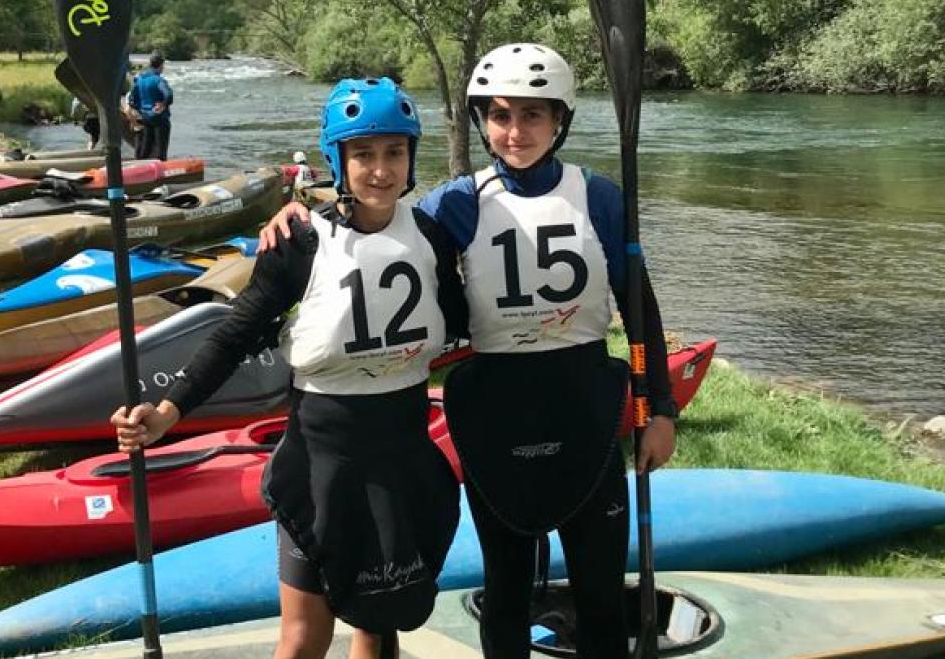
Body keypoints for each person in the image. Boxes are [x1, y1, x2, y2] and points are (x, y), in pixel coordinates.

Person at [260, 44, 678, 659]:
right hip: (496, 419)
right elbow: (377, 219)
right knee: (504, 594)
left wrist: (658, 406)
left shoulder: (599, 197)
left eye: (534, 115)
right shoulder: (457, 202)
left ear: (560, 119)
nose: (516, 131)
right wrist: (305, 212)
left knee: (599, 594)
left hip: (584, 409)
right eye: (501, 115)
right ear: (481, 121)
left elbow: (640, 311)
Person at [113, 77, 467, 659]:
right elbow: (234, 333)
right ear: (338, 159)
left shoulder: (430, 237)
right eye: (364, 155)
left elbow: (466, 320)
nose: (380, 170)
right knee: (305, 636)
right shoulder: (302, 241)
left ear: (411, 156)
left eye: (394, 153)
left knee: (379, 624)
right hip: (321, 462)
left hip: (401, 457)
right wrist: (167, 412)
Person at [127, 51, 173, 160]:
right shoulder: (159, 80)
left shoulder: (140, 80)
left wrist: (140, 109)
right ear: (161, 65)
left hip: (145, 118)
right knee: (160, 150)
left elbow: (132, 99)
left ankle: (143, 169)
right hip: (160, 119)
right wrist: (163, 104)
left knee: (145, 150)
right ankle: (161, 170)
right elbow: (168, 94)